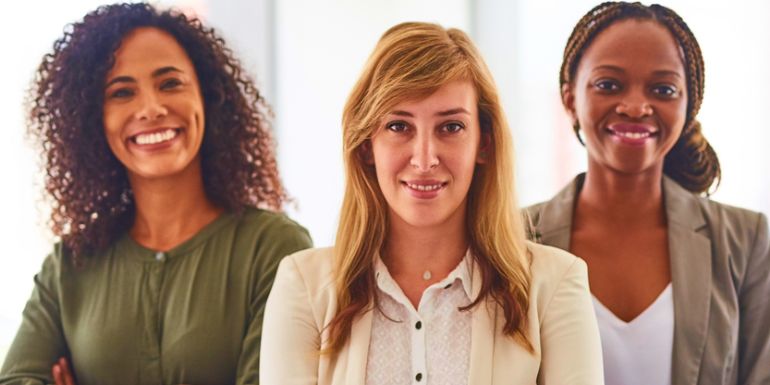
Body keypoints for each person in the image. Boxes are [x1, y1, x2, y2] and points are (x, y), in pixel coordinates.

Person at [260, 22, 602, 385]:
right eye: (398, 127)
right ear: (365, 145)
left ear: (483, 144)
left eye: (451, 127)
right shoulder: (303, 286)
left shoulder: (554, 284)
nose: (424, 160)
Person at [0, 3, 312, 384]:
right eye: (121, 92)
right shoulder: (71, 263)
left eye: (170, 83)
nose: (150, 108)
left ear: (209, 97)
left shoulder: (275, 250)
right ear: (92, 118)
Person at [526, 2, 770, 385]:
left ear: (689, 105)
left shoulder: (745, 239)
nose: (637, 106)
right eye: (609, 84)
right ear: (570, 98)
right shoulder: (513, 237)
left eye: (663, 89)